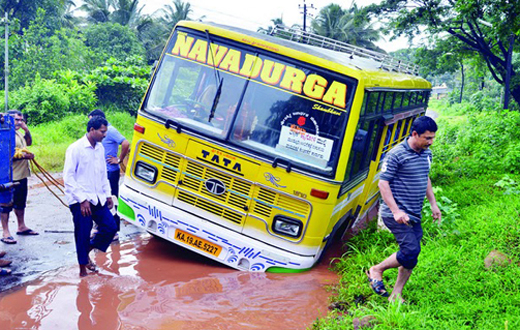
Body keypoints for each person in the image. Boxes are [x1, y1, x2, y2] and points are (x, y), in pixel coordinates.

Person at [366, 116, 442, 303]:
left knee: (411, 256)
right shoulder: (396, 154)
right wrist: (396, 211)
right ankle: (377, 269)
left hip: (414, 213)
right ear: (414, 134)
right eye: (427, 138)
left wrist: (433, 204)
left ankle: (396, 294)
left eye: (433, 138)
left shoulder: (427, 154)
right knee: (410, 250)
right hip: (396, 214)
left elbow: (425, 178)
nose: (431, 142)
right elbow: (383, 183)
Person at [64, 116, 117, 277]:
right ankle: (82, 271)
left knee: (110, 227)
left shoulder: (100, 148)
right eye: (102, 131)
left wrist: (108, 195)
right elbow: (68, 177)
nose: (105, 135)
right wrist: (82, 199)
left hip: (98, 197)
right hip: (80, 201)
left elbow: (102, 174)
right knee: (83, 232)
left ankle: (85, 250)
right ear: (92, 130)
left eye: (105, 131)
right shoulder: (76, 148)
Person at [87, 109, 129, 241]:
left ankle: (114, 230)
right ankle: (100, 227)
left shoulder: (110, 131)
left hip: (111, 171)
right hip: (100, 172)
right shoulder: (94, 135)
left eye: (91, 119)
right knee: (99, 199)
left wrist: (119, 159)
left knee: (112, 199)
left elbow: (126, 143)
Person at [1, 110, 38, 245]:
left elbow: (28, 143)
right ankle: (6, 232)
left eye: (21, 120)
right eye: (16, 120)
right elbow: (4, 155)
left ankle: (21, 226)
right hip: (9, 176)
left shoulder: (17, 133)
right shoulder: (4, 133)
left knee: (20, 202)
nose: (19, 122)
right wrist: (23, 156)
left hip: (22, 175)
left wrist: (26, 130)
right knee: (6, 205)